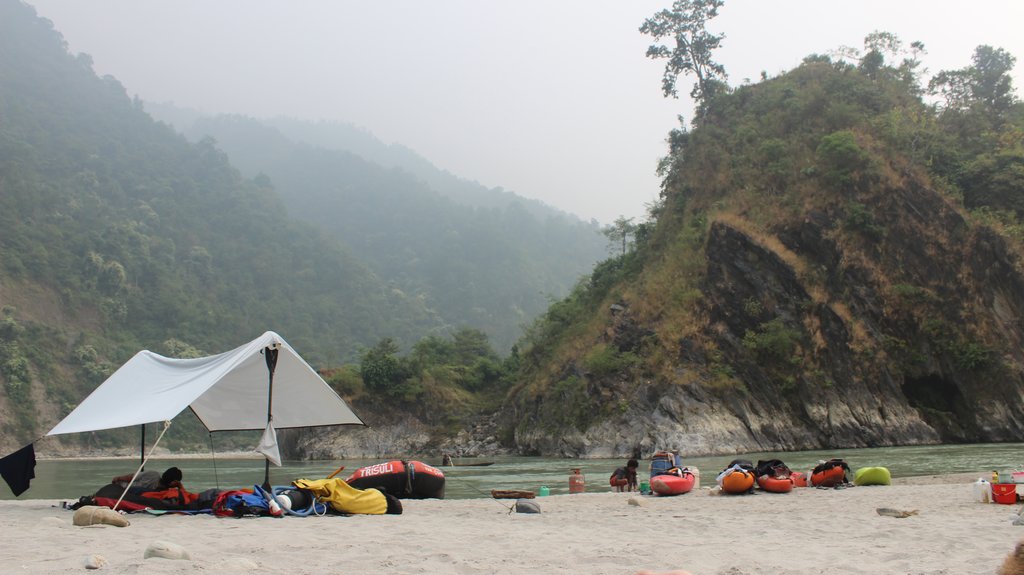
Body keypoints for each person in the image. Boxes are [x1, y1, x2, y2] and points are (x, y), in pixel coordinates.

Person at [112, 466, 184, 491]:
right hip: (122, 488)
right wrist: (118, 478)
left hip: (127, 490)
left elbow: (132, 477)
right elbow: (132, 477)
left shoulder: (164, 491)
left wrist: (180, 486)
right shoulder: (153, 475)